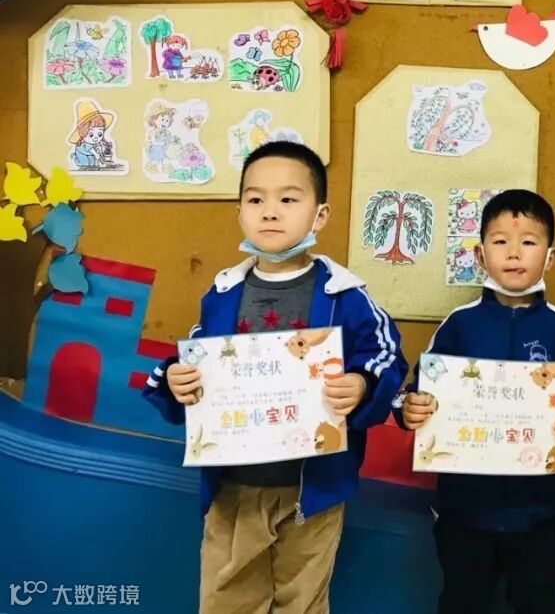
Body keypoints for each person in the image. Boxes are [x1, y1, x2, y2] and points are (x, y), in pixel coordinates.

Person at [143, 141, 404, 614]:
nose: (270, 211)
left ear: (320, 215)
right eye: (255, 199)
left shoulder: (345, 295)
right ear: (240, 212)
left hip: (312, 489)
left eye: (288, 198)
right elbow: (197, 357)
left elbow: (386, 355)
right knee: (227, 600)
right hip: (234, 487)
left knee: (302, 602)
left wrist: (362, 383)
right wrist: (177, 381)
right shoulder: (223, 293)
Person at [395, 189, 555, 614]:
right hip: (465, 509)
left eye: (528, 241)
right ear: (480, 254)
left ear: (550, 257)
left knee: (538, 602)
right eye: (500, 241)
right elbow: (419, 391)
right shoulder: (458, 326)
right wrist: (409, 409)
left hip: (543, 511)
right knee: (462, 601)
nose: (513, 252)